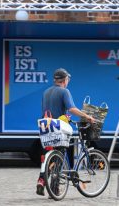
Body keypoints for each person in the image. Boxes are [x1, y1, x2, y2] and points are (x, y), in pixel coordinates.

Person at [36, 68, 94, 196]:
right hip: (58, 128)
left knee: (49, 156)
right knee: (60, 157)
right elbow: (72, 108)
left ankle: (42, 180)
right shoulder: (64, 91)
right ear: (64, 80)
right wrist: (87, 117)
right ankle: (54, 187)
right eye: (68, 79)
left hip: (46, 128)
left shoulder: (46, 92)